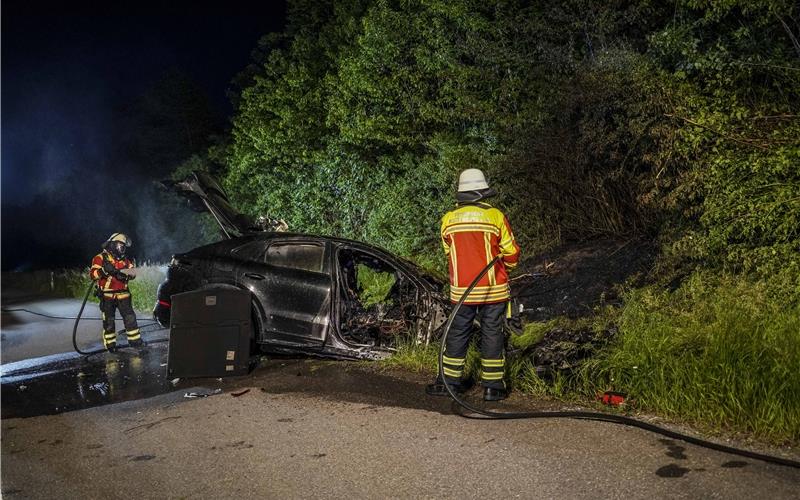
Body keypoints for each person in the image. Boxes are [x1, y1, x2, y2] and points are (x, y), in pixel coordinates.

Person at [426, 168, 520, 401]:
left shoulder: (448, 219)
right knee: (492, 332)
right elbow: (511, 253)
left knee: (458, 333)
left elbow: (449, 253)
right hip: (493, 289)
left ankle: (449, 383)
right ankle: (493, 387)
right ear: (482, 191)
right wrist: (503, 271)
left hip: (462, 290)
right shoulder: (495, 216)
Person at [89, 233, 142, 352]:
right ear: (112, 245)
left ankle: (135, 342)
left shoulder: (126, 260)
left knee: (130, 319)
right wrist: (103, 270)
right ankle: (111, 345)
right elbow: (92, 275)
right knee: (109, 321)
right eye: (120, 245)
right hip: (107, 296)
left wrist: (126, 274)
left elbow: (133, 273)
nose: (122, 248)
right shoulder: (100, 258)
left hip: (124, 294)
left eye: (123, 246)